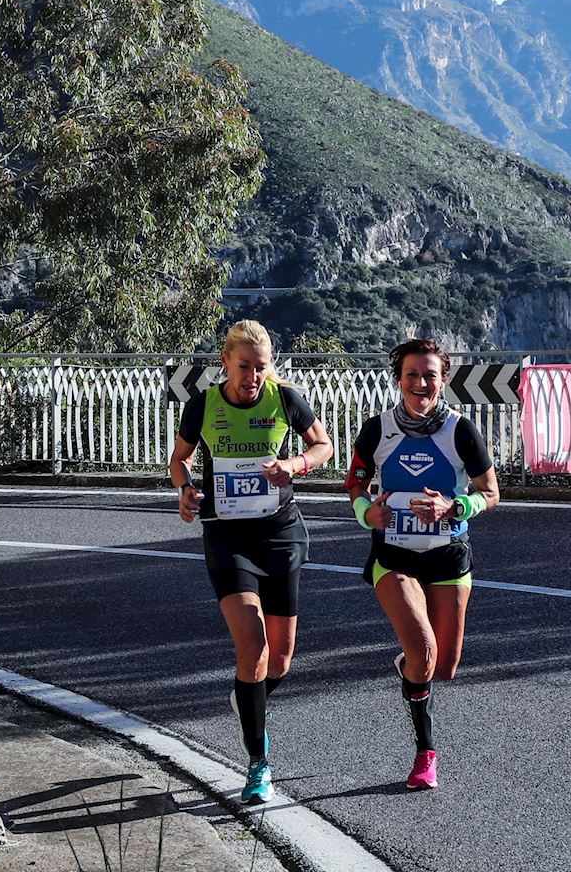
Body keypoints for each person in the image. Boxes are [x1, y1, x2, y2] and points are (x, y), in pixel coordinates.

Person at [168, 320, 332, 805]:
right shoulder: (203, 405)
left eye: (262, 368)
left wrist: (294, 466)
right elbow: (179, 460)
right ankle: (258, 764)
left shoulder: (285, 399)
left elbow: (323, 447)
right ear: (225, 362)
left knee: (279, 659)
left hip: (280, 534)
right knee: (254, 646)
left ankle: (246, 698)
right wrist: (185, 490)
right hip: (227, 536)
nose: (253, 377)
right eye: (245, 367)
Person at [344, 338, 499, 791]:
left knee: (444, 666)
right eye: (412, 374)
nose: (420, 383)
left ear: (443, 380)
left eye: (429, 375)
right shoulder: (377, 430)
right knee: (425, 651)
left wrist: (455, 508)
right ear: (399, 379)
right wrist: (365, 512)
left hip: (449, 553)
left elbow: (490, 492)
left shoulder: (460, 431)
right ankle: (425, 753)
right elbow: (354, 484)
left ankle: (410, 665)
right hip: (394, 556)